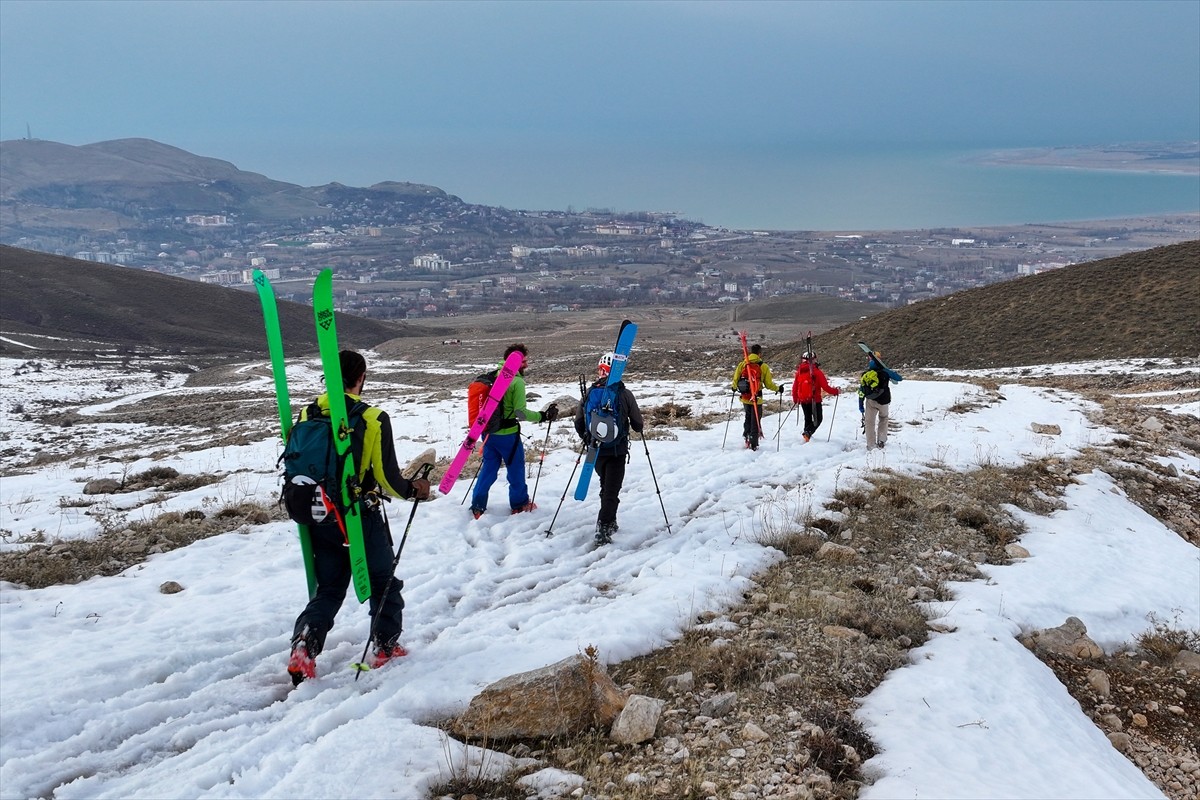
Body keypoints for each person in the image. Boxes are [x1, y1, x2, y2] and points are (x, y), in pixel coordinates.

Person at [288, 350, 431, 685]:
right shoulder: (371, 418)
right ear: (361, 377)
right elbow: (388, 480)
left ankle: (304, 646)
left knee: (329, 589)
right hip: (357, 517)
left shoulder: (307, 413)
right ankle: (385, 645)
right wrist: (417, 490)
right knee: (384, 583)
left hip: (319, 516)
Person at [470, 343, 558, 518]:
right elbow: (520, 412)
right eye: (523, 361)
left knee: (489, 468)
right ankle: (519, 505)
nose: (526, 364)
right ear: (515, 361)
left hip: (488, 433)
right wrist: (542, 416)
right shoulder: (516, 381)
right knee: (516, 468)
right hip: (507, 435)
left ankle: (478, 506)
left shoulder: (493, 376)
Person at [574, 352, 645, 544]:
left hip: (595, 451)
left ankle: (610, 520)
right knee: (611, 490)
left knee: (606, 487)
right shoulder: (624, 393)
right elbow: (638, 424)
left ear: (601, 370)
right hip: (616, 451)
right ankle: (603, 527)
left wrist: (589, 438)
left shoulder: (589, 393)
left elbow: (579, 422)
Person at [731, 343, 780, 451]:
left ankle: (747, 436)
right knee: (755, 420)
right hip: (757, 398)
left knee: (748, 417)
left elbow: (735, 379)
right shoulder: (763, 366)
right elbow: (768, 384)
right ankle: (754, 443)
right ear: (759, 353)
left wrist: (734, 388)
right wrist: (777, 389)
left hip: (745, 397)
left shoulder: (743, 364)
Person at [791, 353, 840, 442]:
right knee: (818, 419)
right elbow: (825, 387)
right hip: (815, 399)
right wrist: (835, 391)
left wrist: (795, 399)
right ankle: (807, 433)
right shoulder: (817, 372)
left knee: (808, 418)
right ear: (813, 360)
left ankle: (807, 437)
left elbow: (795, 387)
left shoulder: (800, 371)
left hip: (803, 400)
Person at [858, 350, 893, 450]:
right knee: (884, 418)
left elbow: (862, 390)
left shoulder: (866, 374)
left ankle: (871, 444)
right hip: (884, 401)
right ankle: (881, 440)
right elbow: (899, 378)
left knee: (869, 422)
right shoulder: (885, 373)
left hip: (871, 401)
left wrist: (860, 404)